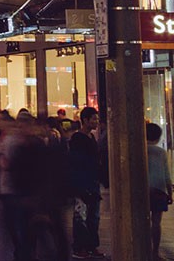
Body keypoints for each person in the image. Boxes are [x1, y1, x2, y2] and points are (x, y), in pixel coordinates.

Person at [68, 107, 104, 259]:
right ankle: (80, 246)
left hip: (93, 182)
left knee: (93, 216)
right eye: (93, 119)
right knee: (81, 216)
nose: (96, 121)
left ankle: (91, 246)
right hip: (82, 182)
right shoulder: (78, 139)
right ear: (85, 120)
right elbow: (76, 163)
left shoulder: (91, 137)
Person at [150, 122, 171, 260]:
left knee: (142, 220)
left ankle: (143, 247)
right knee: (156, 222)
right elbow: (166, 175)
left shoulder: (138, 149)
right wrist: (170, 192)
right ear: (158, 137)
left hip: (142, 190)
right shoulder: (161, 152)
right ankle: (155, 252)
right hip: (159, 189)